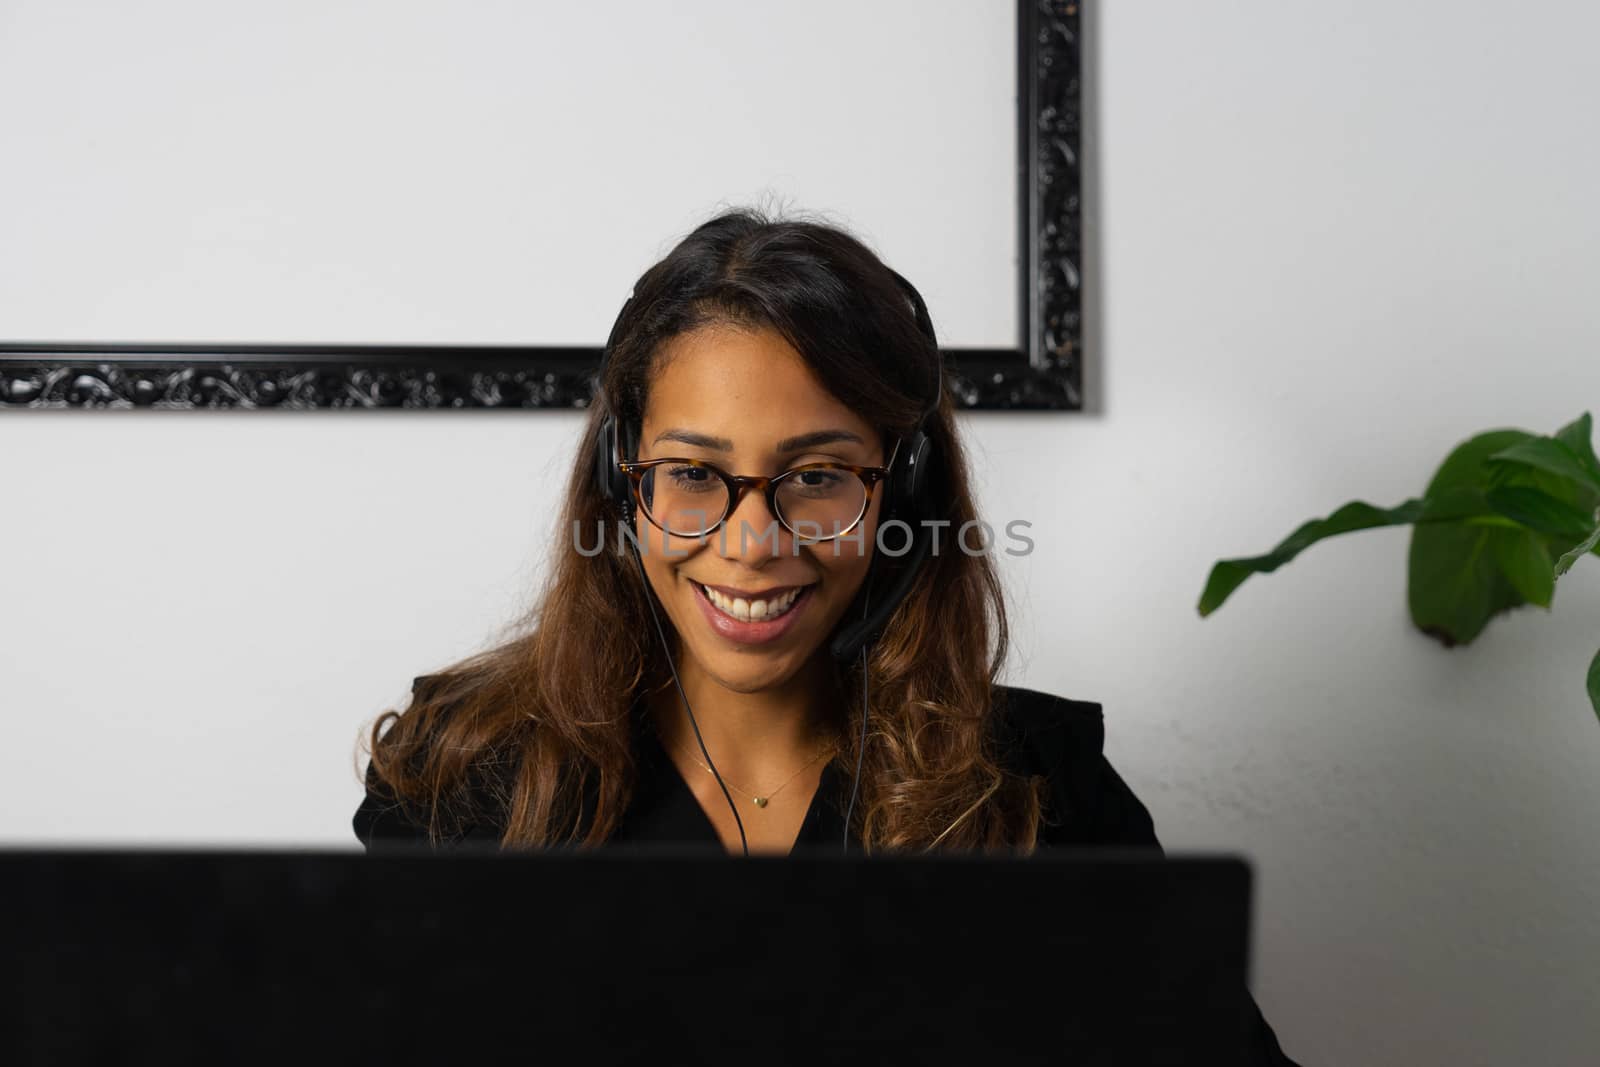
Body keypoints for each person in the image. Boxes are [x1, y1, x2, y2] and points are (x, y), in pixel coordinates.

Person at [352, 207, 1298, 1064]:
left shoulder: (1045, 794)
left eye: (818, 476)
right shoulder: (465, 775)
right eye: (690, 472)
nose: (752, 543)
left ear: (904, 494)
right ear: (621, 483)